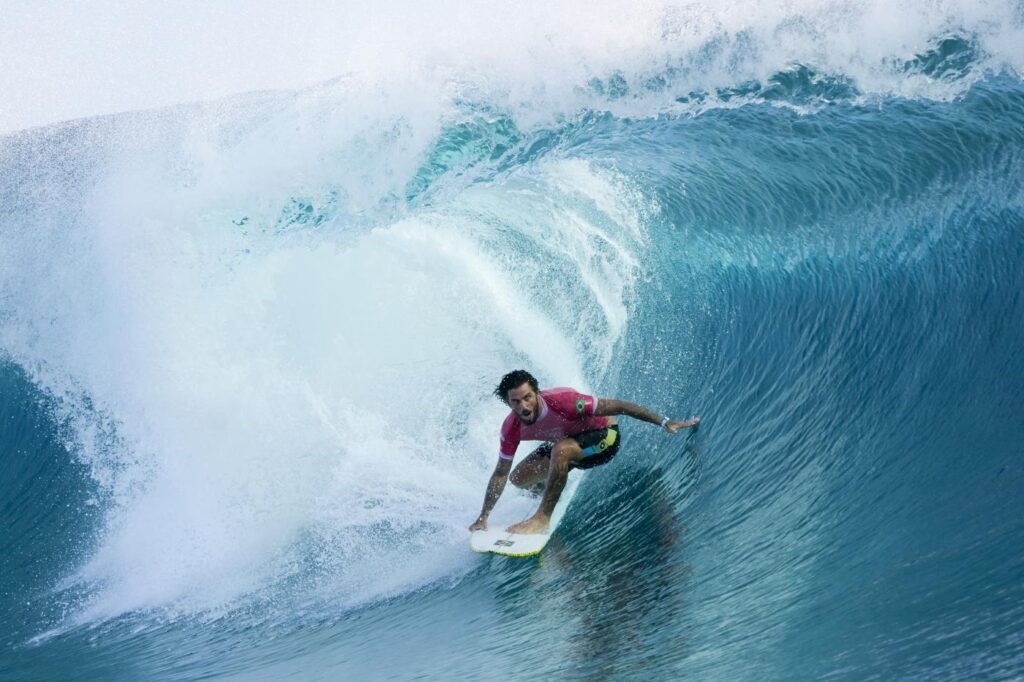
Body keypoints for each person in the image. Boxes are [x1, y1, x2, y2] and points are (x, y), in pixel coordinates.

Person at [469, 370, 700, 535]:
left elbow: (620, 406)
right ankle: (548, 488)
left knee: (561, 450)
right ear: (508, 403)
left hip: (604, 438)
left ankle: (541, 518)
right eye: (516, 402)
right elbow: (500, 473)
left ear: (537, 393)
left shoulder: (566, 403)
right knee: (518, 478)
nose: (523, 406)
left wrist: (664, 422)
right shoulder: (511, 428)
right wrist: (483, 516)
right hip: (566, 443)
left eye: (527, 397)